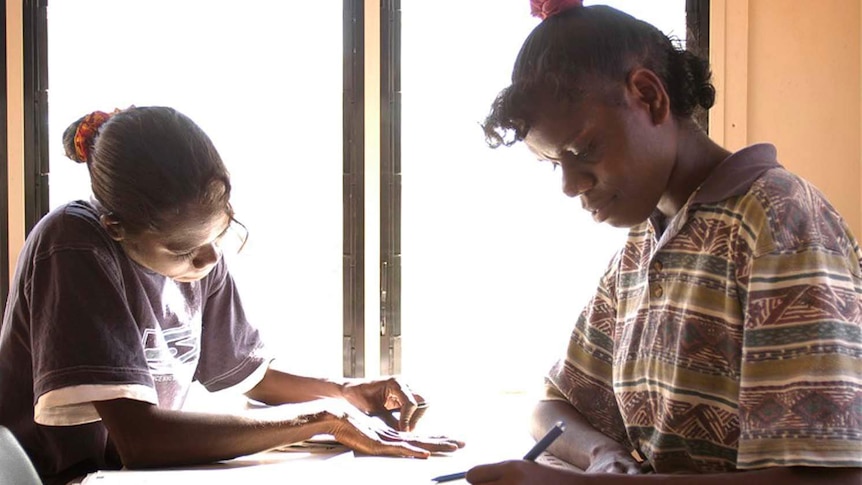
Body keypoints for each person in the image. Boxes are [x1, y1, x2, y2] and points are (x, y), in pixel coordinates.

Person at [467, 0, 862, 483]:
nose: (570, 185)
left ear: (649, 96)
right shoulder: (644, 243)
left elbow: (831, 478)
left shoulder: (780, 222)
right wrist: (602, 456)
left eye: (583, 150)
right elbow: (552, 408)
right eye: (555, 163)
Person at [0, 106, 464, 484]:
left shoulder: (201, 257)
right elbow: (139, 437)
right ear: (116, 229)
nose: (206, 261)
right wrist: (323, 417)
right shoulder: (73, 244)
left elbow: (245, 374)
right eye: (183, 249)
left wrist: (347, 395)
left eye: (219, 235)